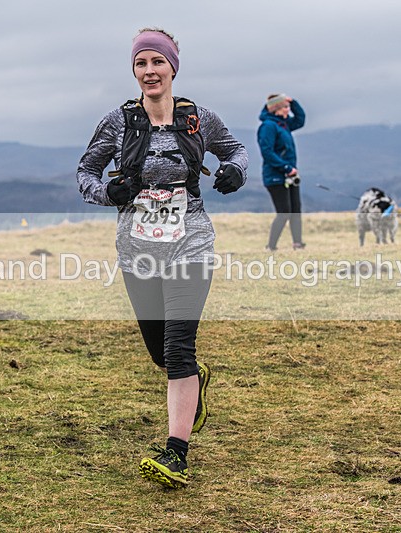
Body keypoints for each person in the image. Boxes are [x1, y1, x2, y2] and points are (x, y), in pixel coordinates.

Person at [76, 28, 248, 489]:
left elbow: (235, 150)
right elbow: (85, 173)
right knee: (161, 353)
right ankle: (195, 378)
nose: (149, 71)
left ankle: (176, 453)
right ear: (134, 71)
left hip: (190, 244)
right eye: (140, 64)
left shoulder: (199, 119)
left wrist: (234, 171)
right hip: (136, 250)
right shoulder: (118, 122)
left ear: (173, 67)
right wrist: (108, 191)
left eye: (157, 62)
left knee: (177, 349)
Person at [257, 94, 306, 251]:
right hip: (276, 176)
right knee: (284, 212)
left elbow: (300, 120)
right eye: (285, 107)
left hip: (290, 175)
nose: (288, 110)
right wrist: (285, 167)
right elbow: (267, 152)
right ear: (276, 109)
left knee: (295, 210)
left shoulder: (283, 124)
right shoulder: (268, 126)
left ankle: (298, 244)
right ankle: (271, 246)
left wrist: (293, 101)